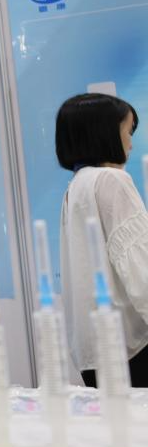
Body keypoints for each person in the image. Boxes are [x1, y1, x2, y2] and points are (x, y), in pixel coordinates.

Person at [56, 92, 148, 388]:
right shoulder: (111, 180)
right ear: (105, 134)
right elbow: (139, 266)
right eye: (127, 132)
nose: (130, 144)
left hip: (93, 352)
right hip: (131, 347)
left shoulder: (76, 187)